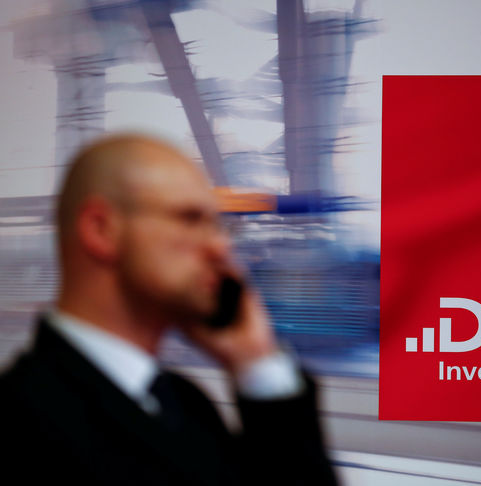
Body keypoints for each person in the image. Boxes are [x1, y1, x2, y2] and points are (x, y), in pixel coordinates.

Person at [0, 134, 339, 485]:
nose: (221, 247)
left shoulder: (188, 404)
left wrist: (255, 360)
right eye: (190, 219)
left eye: (218, 225)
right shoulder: (20, 425)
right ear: (100, 228)